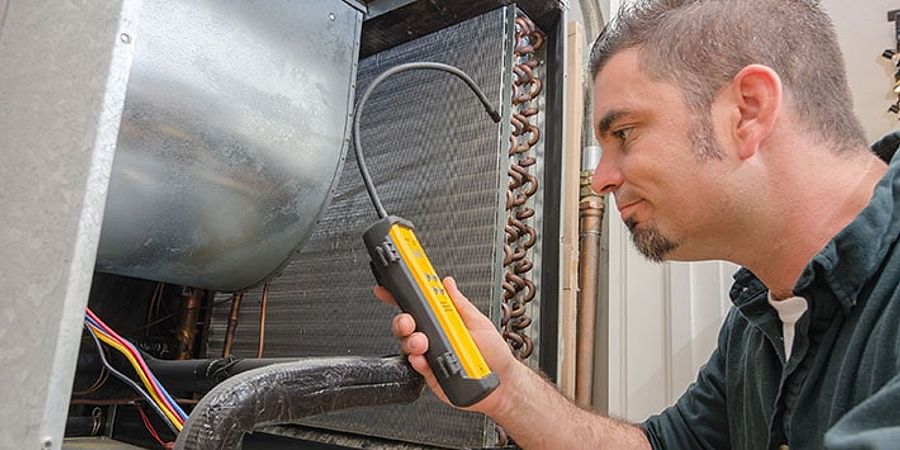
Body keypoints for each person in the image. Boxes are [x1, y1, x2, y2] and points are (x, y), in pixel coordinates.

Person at [375, 0, 900, 448]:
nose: (601, 179)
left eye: (623, 132)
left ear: (748, 110)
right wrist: (507, 387)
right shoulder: (758, 320)